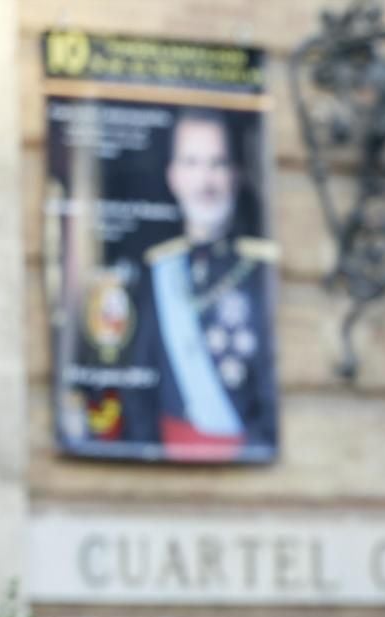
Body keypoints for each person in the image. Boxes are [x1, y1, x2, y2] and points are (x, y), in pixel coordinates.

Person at [122, 106, 278, 461]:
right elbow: (138, 391)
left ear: (235, 175)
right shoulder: (155, 272)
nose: (205, 182)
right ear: (173, 176)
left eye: (217, 163)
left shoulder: (261, 270)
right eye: (191, 163)